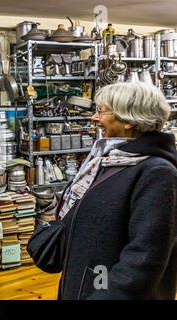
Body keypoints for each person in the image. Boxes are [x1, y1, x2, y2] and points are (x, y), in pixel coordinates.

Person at [56, 82, 177, 299]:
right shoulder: (112, 160)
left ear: (129, 120)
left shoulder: (158, 172)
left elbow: (145, 257)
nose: (95, 118)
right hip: (88, 283)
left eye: (101, 111)